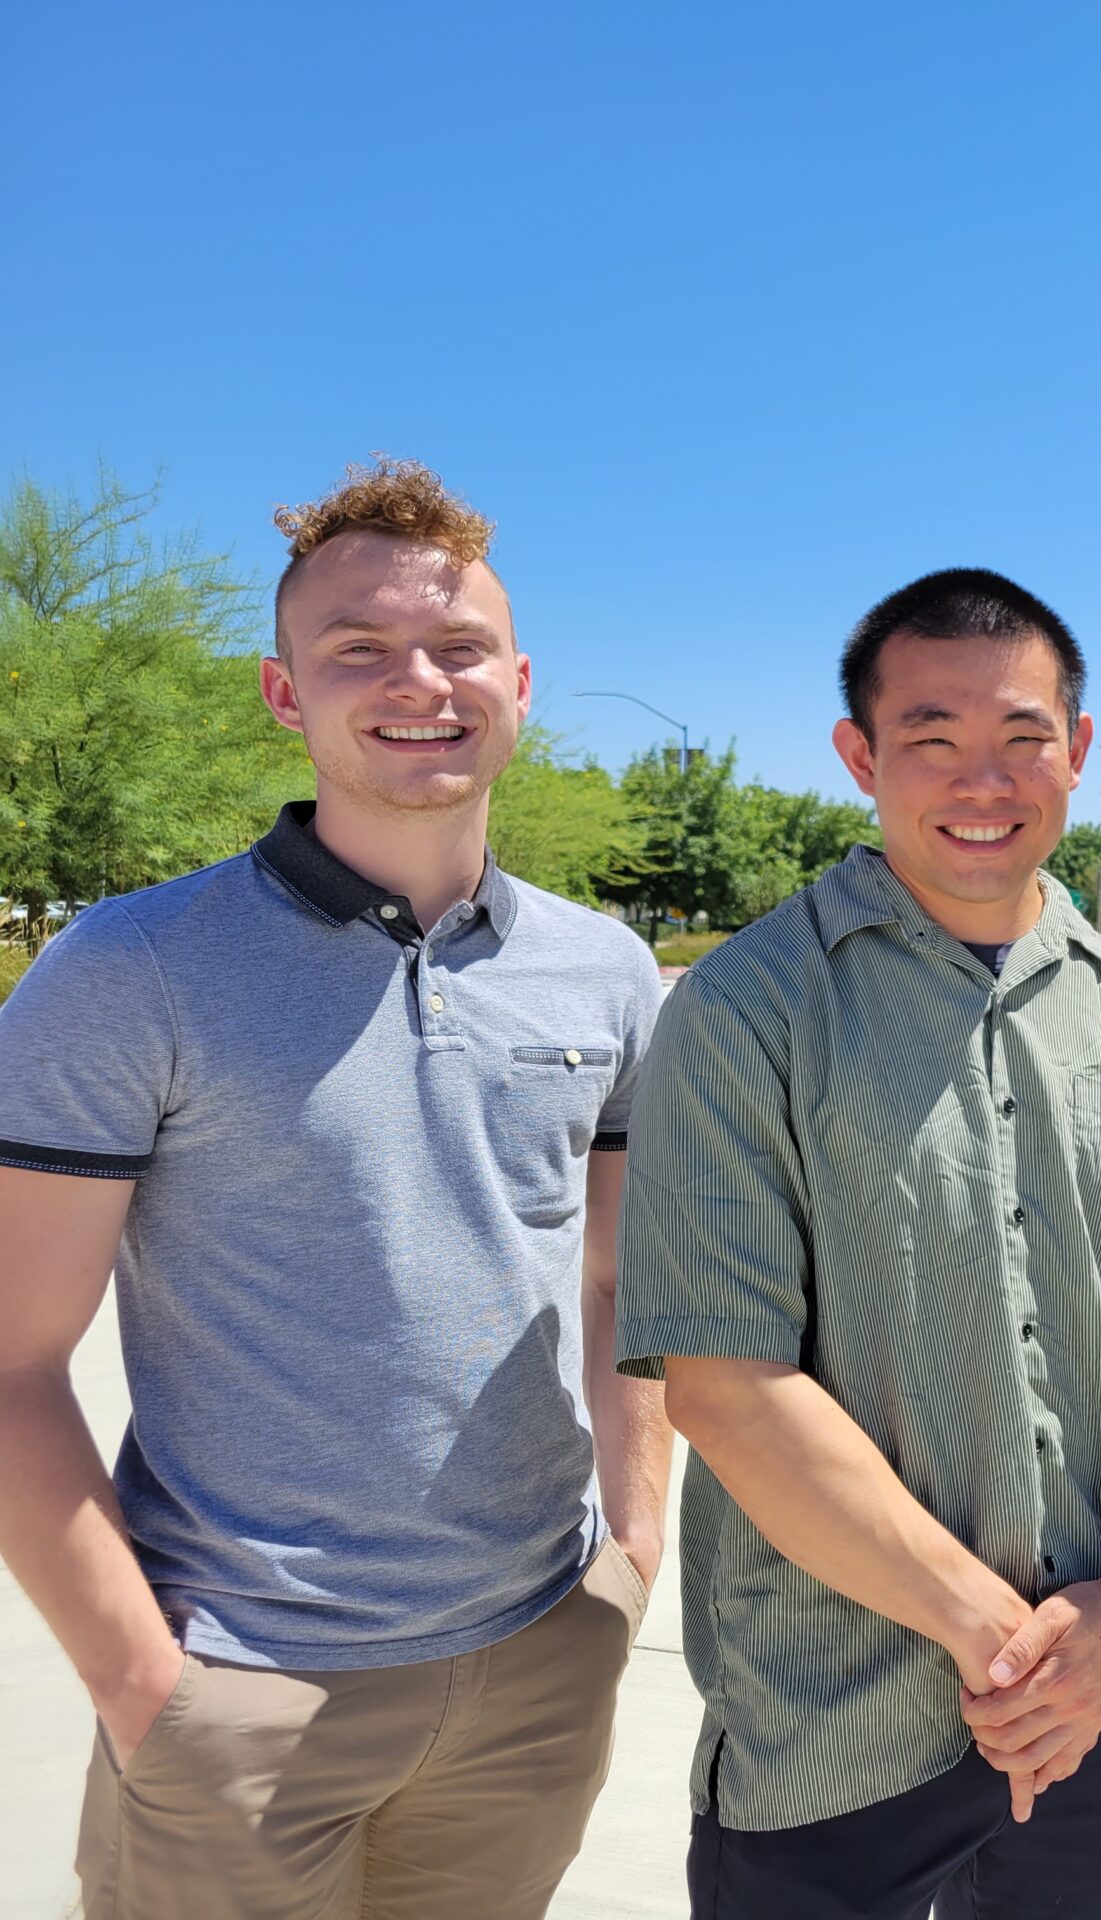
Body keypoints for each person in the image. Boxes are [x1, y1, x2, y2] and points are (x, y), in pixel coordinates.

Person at [0, 459, 670, 1918]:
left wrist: (632, 1555)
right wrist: (143, 1683)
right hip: (240, 1692)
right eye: (357, 649)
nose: (417, 680)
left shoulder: (607, 972)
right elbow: (10, 1359)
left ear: (521, 680)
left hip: (540, 1659)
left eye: (457, 647)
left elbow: (627, 1282)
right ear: (282, 694)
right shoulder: (130, 971)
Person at [615, 568, 1101, 1920]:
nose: (982, 779)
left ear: (1077, 747)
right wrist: (1005, 1646)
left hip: (1097, 1713)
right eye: (931, 739)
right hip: (835, 1727)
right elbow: (726, 1384)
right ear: (860, 757)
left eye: (1021, 736)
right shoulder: (747, 1011)